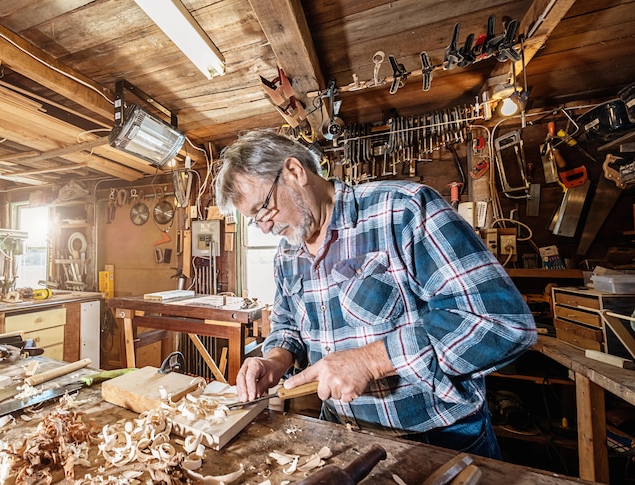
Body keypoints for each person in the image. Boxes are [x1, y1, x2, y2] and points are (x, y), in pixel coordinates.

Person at [215, 129, 536, 459]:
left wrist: (370, 361)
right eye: (255, 221)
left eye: (264, 209)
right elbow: (288, 327)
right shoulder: (287, 253)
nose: (266, 227)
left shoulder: (402, 210)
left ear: (295, 172)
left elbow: (501, 321)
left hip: (435, 438)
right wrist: (274, 361)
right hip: (339, 434)